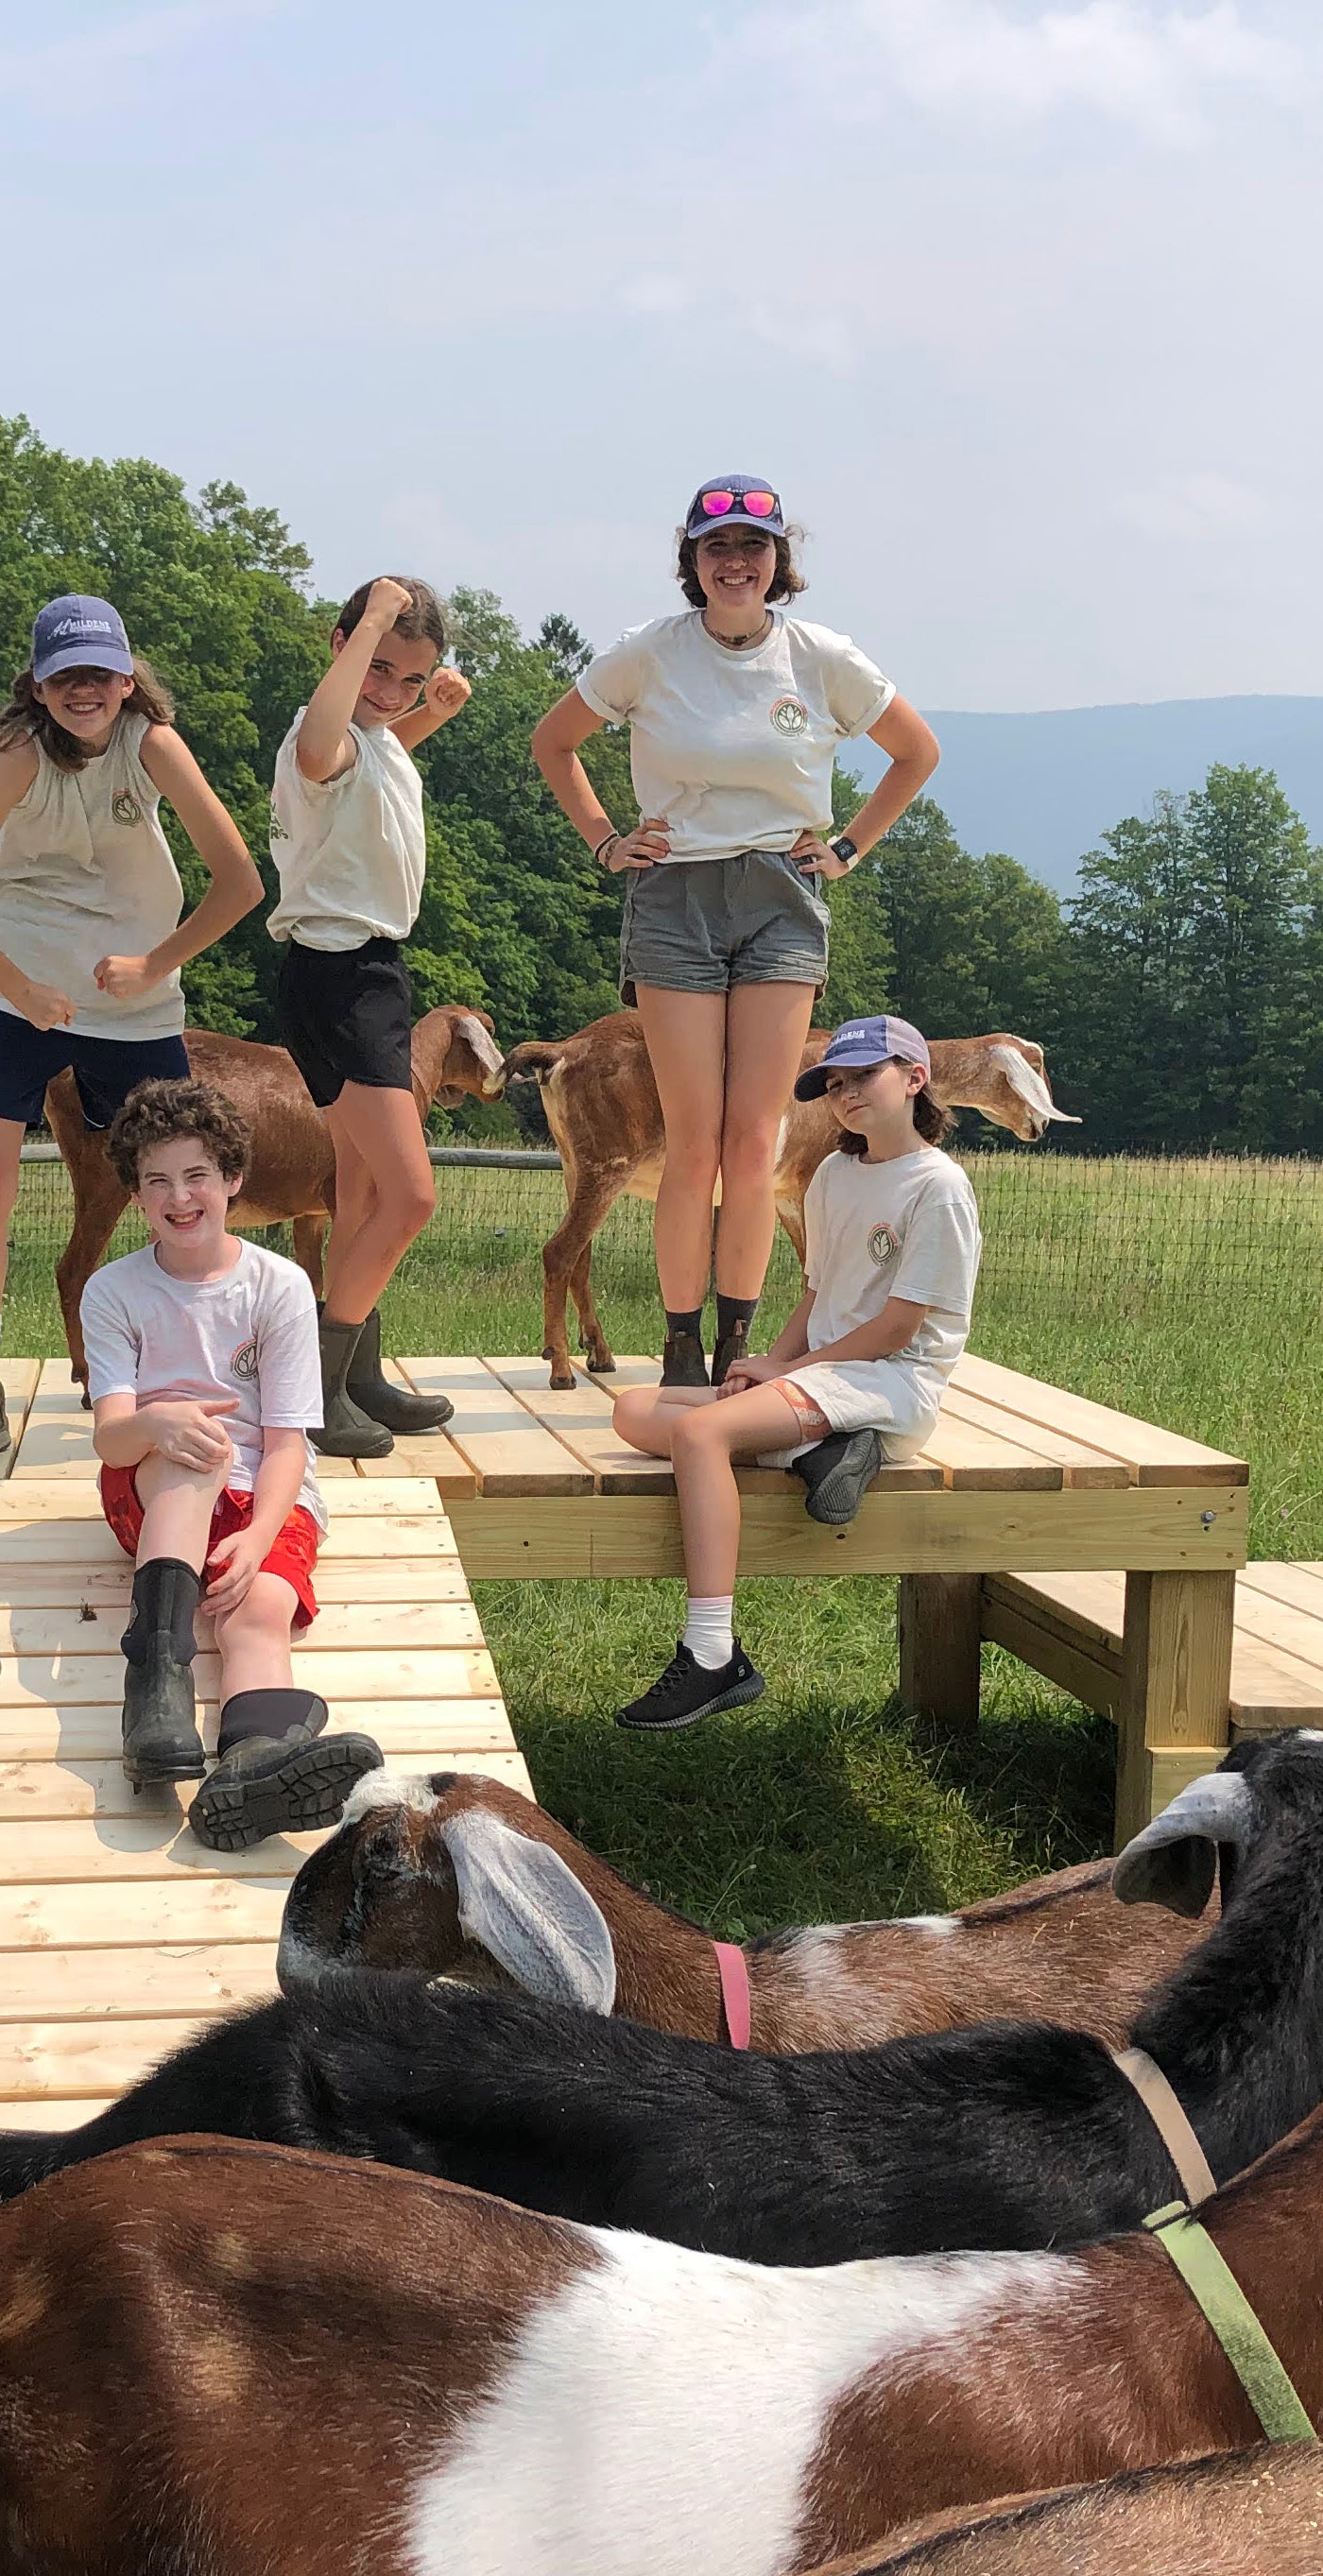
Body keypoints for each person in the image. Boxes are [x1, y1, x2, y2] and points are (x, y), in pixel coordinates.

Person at [531, 479, 940, 1389]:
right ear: (692, 561)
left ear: (777, 562)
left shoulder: (822, 657)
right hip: (673, 896)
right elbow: (552, 741)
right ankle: (679, 1346)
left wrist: (846, 846)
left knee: (754, 1142)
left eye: (752, 547)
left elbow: (915, 752)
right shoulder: (648, 654)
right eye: (716, 547)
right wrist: (605, 840)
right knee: (693, 1139)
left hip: (780, 900)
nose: (735, 562)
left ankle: (735, 1349)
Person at [0, 595, 264, 1464]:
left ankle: (189, 1366)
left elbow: (239, 883)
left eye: (100, 673)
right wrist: (17, 986)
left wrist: (155, 964)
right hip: (18, 996)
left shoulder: (151, 745)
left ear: (126, 676)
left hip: (135, 1007)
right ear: (36, 684)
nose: (84, 690)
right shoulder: (15, 758)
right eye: (65, 675)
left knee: (181, 1178)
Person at [605, 1015, 980, 1730]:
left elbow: (897, 1329)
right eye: (833, 1085)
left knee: (699, 1437)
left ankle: (712, 1654)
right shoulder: (834, 1173)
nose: (845, 1094)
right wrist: (770, 1365)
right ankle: (823, 1449)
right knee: (633, 1413)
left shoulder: (938, 1187)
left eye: (863, 1076)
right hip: (826, 1376)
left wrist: (788, 1373)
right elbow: (818, 1293)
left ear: (914, 1078)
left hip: (891, 1380)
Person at [83, 1078, 383, 1850]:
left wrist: (255, 1543)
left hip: (269, 1495)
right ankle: (154, 1689)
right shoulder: (113, 1291)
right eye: (157, 1182)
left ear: (232, 1182)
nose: (179, 1198)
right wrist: (156, 1419)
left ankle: (253, 1765)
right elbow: (112, 1440)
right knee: (193, 1455)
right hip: (152, 1487)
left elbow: (288, 1442)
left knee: (256, 1614)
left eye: (196, 1177)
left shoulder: (278, 1286)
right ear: (137, 1194)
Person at [269, 574, 472, 1455]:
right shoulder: (321, 739)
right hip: (338, 973)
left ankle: (356, 1376)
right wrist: (377, 619)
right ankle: (310, 1388)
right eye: (376, 668)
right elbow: (329, 748)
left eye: (409, 680)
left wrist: (433, 716)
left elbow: (372, 767)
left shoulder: (376, 739)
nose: (389, 692)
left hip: (369, 971)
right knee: (409, 1194)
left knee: (359, 1195)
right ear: (341, 646)